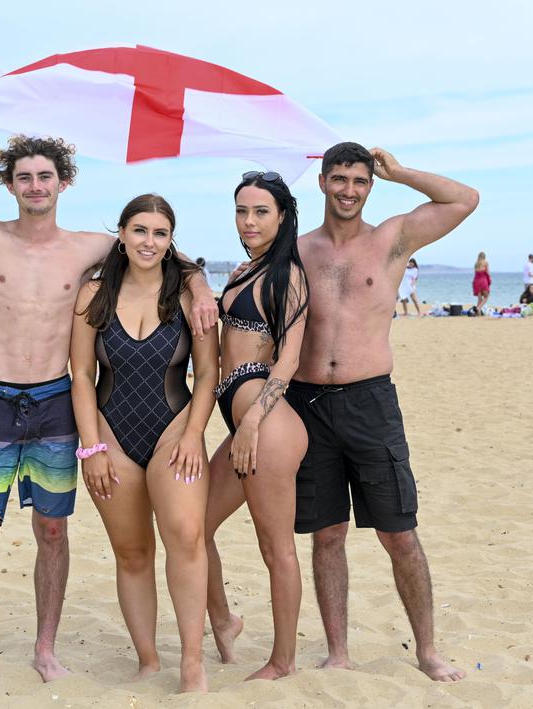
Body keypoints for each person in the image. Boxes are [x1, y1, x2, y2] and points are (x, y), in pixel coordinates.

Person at [0, 113, 216, 701]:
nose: (36, 186)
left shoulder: (89, 248)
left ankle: (46, 650)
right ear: (9, 183)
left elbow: (154, 248)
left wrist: (202, 284)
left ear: (64, 184)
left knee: (52, 532)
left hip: (56, 404)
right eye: (25, 177)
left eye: (46, 176)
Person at [286, 142, 478, 681]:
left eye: (360, 181)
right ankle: (338, 651)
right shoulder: (297, 249)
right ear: (322, 181)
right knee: (327, 535)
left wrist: (400, 172)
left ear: (370, 186)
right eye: (340, 179)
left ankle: (427, 651)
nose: (349, 190)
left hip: (370, 401)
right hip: (307, 405)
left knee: (399, 533)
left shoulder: (392, 239)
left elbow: (465, 199)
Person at [70, 194, 218, 693]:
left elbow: (209, 374)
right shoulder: (94, 295)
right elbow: (81, 377)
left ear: (171, 240)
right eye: (139, 230)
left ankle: (192, 664)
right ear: (122, 234)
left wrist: (195, 434)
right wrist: (91, 448)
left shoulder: (186, 298)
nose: (148, 241)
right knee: (132, 552)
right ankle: (149, 660)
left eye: (159, 233)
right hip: (111, 435)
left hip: (174, 430)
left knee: (186, 536)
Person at [204, 171, 309, 681]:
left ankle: (283, 662)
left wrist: (250, 424)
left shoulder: (287, 273)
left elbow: (287, 359)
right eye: (242, 211)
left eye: (260, 211)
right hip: (243, 416)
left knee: (276, 549)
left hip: (265, 423)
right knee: (193, 527)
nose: (249, 221)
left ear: (283, 216)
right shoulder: (245, 270)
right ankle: (224, 621)